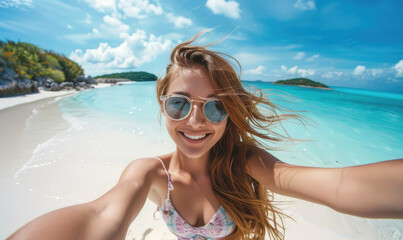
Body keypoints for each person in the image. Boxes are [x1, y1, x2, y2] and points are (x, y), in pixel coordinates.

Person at [9, 30, 403, 240]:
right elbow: (101, 217)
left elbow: (337, 184)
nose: (196, 120)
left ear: (229, 116)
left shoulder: (246, 162)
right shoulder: (149, 173)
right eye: (180, 104)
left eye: (215, 107)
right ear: (162, 104)